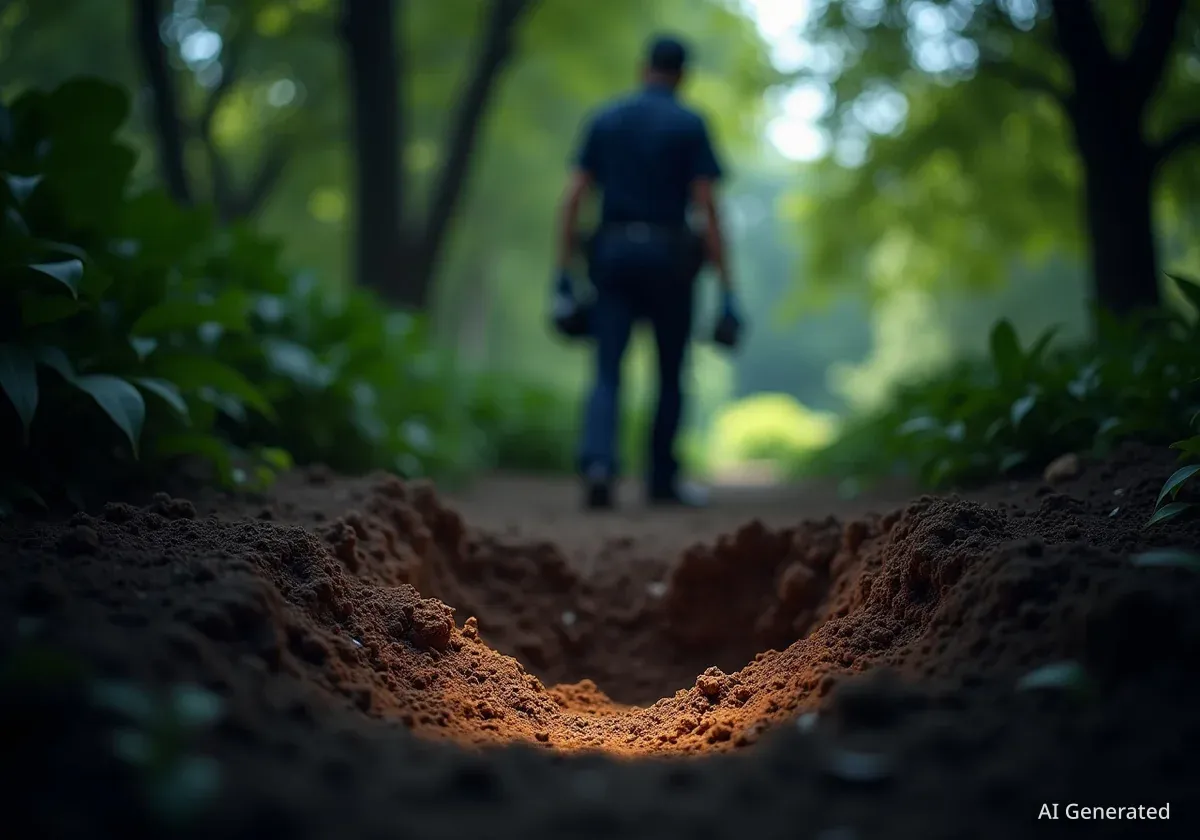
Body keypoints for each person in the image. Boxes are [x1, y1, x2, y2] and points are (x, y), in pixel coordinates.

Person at [552, 34, 741, 511]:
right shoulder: (690, 124)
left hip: (612, 257)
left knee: (606, 370)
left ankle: (599, 466)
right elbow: (707, 206)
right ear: (682, 75)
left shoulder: (606, 118)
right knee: (671, 372)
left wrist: (562, 273)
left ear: (644, 68)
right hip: (671, 263)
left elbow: (574, 196)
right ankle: (661, 479)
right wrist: (727, 289)